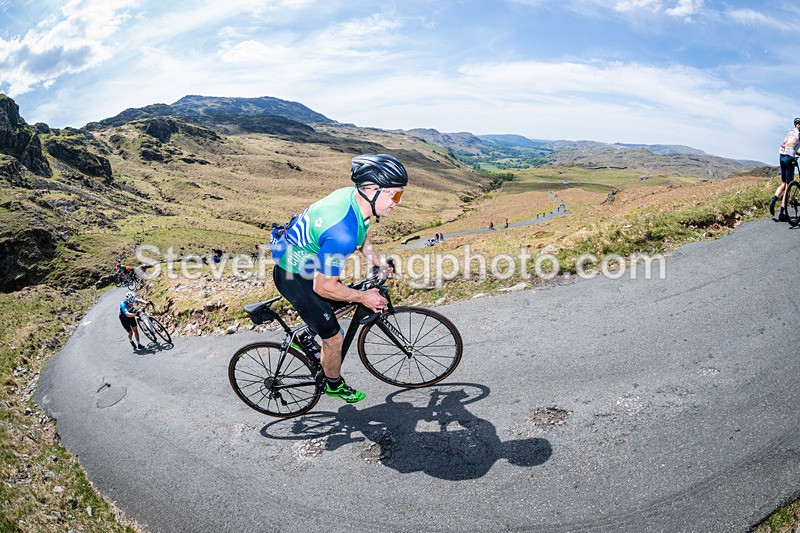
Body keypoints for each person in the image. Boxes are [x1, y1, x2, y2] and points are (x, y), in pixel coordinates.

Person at [270, 154, 405, 403]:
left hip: (305, 262)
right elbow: (323, 286)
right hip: (293, 275)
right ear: (372, 190)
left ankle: (308, 332)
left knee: (347, 299)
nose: (397, 202)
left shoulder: (354, 199)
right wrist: (364, 297)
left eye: (400, 195)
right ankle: (334, 383)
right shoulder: (341, 233)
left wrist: (376, 260)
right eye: (394, 195)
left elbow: (361, 231)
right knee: (334, 337)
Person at [773, 117, 800, 222]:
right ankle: (782, 212)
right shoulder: (799, 134)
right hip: (789, 158)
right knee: (788, 186)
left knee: (783, 183)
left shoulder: (789, 131)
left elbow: (790, 146)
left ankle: (774, 198)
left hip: (782, 155)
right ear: (798, 125)